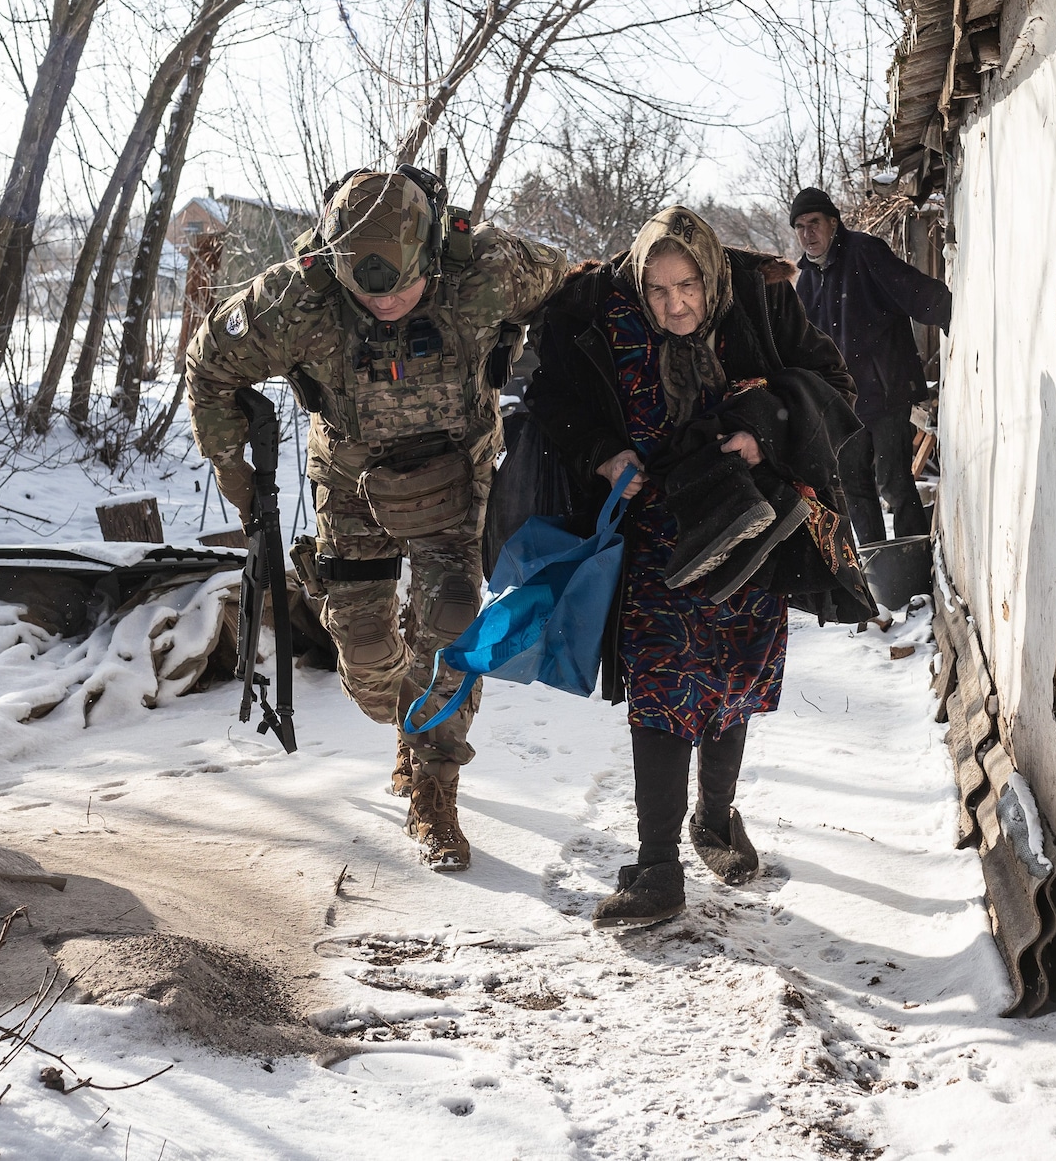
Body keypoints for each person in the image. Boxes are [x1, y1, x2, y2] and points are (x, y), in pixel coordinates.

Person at [185, 168, 567, 872]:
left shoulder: (488, 270)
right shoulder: (296, 299)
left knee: (452, 628)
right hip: (351, 484)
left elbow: (581, 289)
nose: (386, 303)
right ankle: (407, 720)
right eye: (369, 293)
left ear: (430, 253)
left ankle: (434, 785)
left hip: (455, 480)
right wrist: (238, 480)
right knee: (365, 660)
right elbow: (209, 365)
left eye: (402, 288)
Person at [528, 206, 871, 930]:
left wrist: (763, 428)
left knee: (735, 677)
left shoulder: (759, 299)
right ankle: (657, 866)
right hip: (655, 536)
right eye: (657, 290)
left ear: (711, 278)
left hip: (750, 526)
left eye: (688, 286)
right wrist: (603, 452)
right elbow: (548, 395)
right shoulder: (599, 313)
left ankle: (715, 820)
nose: (675, 305)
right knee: (661, 686)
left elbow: (832, 381)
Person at [789, 187, 952, 550]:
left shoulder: (863, 252)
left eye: (814, 223)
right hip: (842, 405)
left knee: (894, 482)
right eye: (799, 227)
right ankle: (878, 565)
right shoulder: (807, 282)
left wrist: (953, 312)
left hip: (885, 391)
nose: (807, 233)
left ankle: (913, 559)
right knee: (854, 489)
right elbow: (803, 346)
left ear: (833, 223)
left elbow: (909, 289)